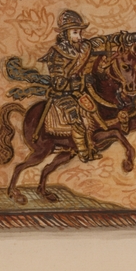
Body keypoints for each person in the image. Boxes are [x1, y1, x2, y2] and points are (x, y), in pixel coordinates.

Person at [39, 10, 101, 161]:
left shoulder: (82, 47)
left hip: (77, 93)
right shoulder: (57, 53)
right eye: (75, 33)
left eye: (80, 32)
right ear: (65, 34)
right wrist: (82, 81)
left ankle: (92, 144)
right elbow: (58, 83)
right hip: (62, 96)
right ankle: (84, 153)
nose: (79, 37)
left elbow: (102, 40)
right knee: (76, 120)